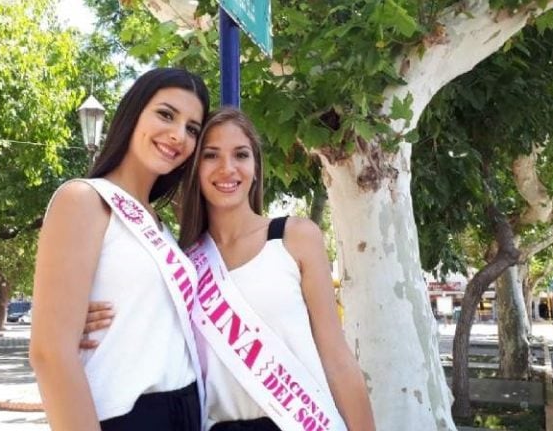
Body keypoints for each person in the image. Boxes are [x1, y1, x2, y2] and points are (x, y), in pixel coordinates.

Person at [85, 108, 375, 431]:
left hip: (304, 422)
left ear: (255, 167)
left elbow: (338, 360)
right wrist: (80, 322)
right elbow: (143, 332)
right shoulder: (183, 266)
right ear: (194, 168)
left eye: (241, 154)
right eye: (211, 155)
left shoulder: (295, 237)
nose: (228, 168)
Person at [29, 67, 210, 431]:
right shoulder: (83, 199)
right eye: (165, 114)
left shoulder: (161, 227)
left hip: (186, 409)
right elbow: (50, 353)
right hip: (126, 416)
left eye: (192, 128)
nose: (178, 135)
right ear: (133, 113)